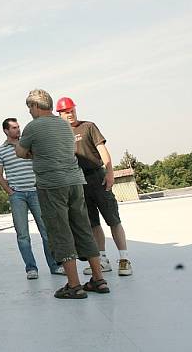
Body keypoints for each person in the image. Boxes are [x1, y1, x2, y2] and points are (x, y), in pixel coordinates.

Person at [15, 89, 109, 299]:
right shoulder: (65, 126)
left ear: (36, 107)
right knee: (83, 228)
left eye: (30, 107)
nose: (29, 111)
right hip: (75, 182)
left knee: (60, 232)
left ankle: (74, 286)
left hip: (51, 185)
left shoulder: (33, 127)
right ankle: (99, 279)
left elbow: (20, 152)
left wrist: (35, 152)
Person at [56, 97, 132, 276]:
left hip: (97, 178)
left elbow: (102, 151)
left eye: (72, 110)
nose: (71, 114)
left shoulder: (88, 127)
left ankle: (124, 259)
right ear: (59, 114)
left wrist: (110, 172)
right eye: (66, 112)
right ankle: (102, 260)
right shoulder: (59, 134)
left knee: (113, 219)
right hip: (78, 183)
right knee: (92, 223)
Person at [0, 117, 62, 278]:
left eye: (18, 127)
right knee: (23, 234)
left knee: (46, 231)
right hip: (17, 196)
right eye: (14, 128)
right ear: (6, 131)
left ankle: (55, 266)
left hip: (36, 192)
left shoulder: (28, 144)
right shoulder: (0, 150)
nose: (18, 130)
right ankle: (31, 268)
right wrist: (10, 192)